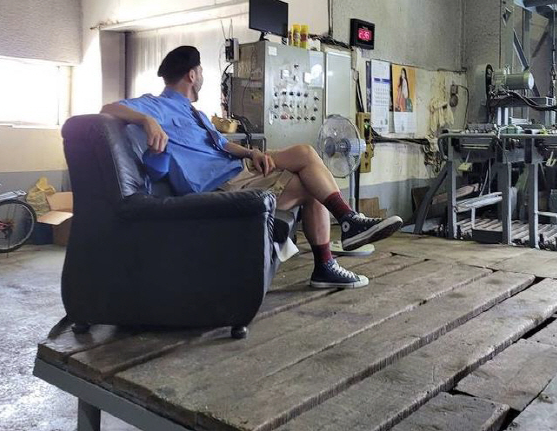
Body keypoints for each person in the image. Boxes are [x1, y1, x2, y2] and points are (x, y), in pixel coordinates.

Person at [101, 46, 403, 290]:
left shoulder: (196, 114)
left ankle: (344, 231)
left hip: (237, 168)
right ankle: (335, 247)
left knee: (305, 155)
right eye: (202, 71)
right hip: (220, 185)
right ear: (192, 75)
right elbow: (107, 109)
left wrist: (251, 152)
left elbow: (221, 143)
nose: (203, 76)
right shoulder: (157, 105)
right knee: (310, 177)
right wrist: (146, 120)